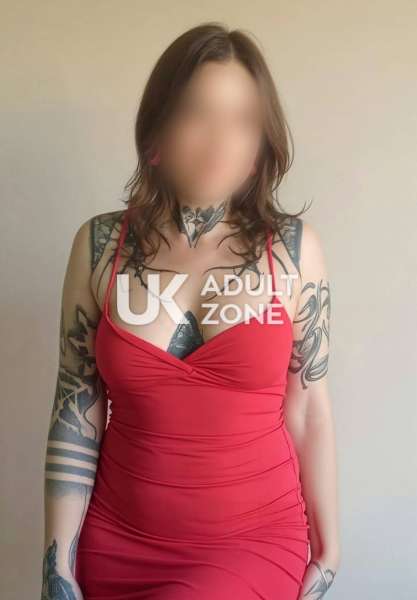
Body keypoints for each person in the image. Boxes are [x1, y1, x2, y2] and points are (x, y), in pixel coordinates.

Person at [41, 22, 340, 600]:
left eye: (242, 120)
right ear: (157, 129)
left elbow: (309, 408)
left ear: (260, 146)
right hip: (116, 539)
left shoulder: (293, 251)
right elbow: (75, 404)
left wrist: (329, 548)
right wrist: (58, 559)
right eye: (198, 114)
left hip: (254, 541)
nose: (221, 140)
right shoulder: (99, 246)